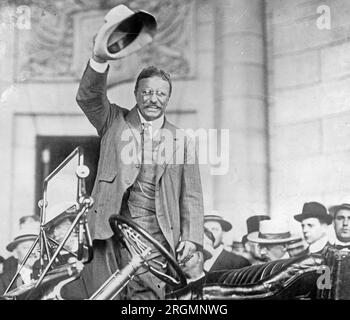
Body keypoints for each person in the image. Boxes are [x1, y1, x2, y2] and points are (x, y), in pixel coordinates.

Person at [75, 6, 204, 299]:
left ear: (168, 98)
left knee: (148, 302)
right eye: (146, 92)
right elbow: (87, 96)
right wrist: (98, 59)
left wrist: (192, 238)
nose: (152, 99)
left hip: (157, 238)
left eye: (160, 94)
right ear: (135, 94)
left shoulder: (181, 139)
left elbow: (192, 196)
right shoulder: (113, 121)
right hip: (109, 236)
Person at [0, 227, 39, 295]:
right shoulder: (4, 280)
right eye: (26, 247)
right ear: (15, 253)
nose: (33, 251)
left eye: (37, 247)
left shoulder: (50, 271)